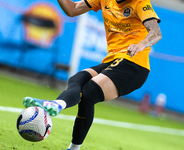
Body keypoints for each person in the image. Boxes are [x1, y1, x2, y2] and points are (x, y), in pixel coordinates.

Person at [23, 0, 162, 149]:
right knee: (77, 79)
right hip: (113, 60)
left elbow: (156, 33)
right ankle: (57, 104)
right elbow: (73, 9)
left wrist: (140, 45)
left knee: (89, 91)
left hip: (134, 65)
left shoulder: (140, 3)